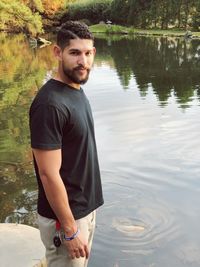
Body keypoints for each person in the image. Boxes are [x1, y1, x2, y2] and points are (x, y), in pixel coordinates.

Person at [29, 21, 104, 267]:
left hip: (84, 210)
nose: (83, 61)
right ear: (57, 52)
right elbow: (48, 174)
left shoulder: (75, 90)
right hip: (66, 220)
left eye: (88, 53)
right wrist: (70, 230)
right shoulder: (50, 104)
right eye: (74, 53)